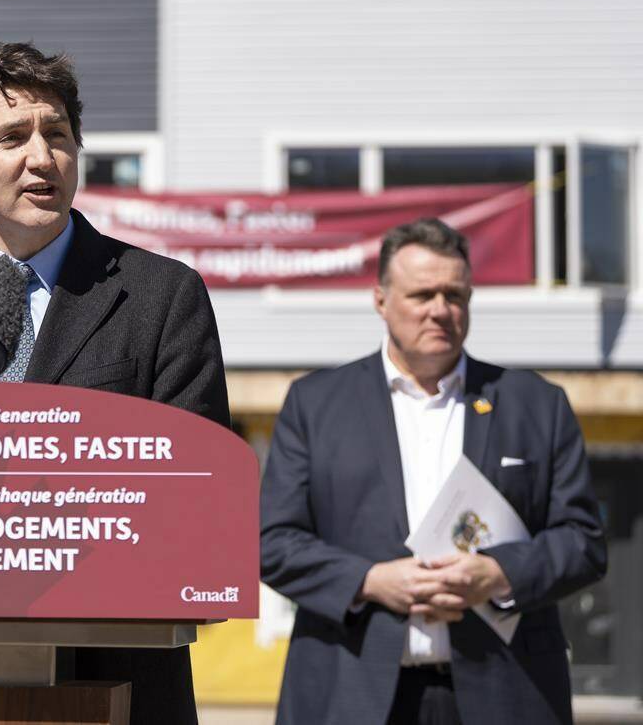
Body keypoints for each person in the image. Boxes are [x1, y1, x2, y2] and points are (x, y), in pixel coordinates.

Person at [0, 41, 230, 725]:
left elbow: (192, 493)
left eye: (57, 135)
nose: (41, 156)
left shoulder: (160, 296)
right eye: (12, 136)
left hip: (121, 681)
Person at [260, 217, 607, 725]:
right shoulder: (315, 404)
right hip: (352, 692)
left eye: (456, 295)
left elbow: (583, 541)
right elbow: (272, 541)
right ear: (381, 300)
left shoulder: (536, 405)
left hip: (506, 693)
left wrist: (499, 574)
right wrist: (372, 580)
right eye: (423, 295)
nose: (441, 311)